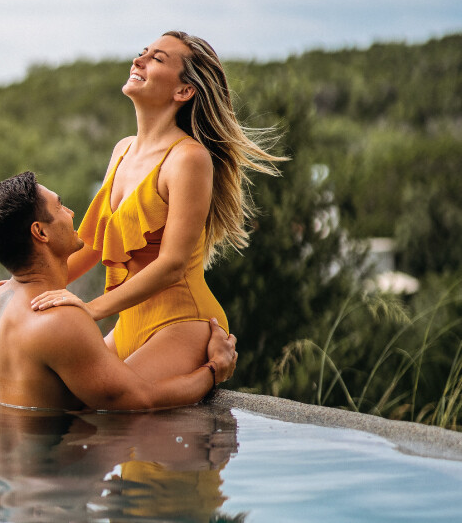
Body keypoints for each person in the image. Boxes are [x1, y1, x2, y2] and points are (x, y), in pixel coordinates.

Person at [26, 31, 284, 382]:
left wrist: (88, 310)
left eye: (157, 58)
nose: (139, 60)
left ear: (183, 91)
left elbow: (173, 264)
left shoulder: (188, 159)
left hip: (183, 323)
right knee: (63, 398)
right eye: (142, 53)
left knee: (107, 406)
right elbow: (93, 245)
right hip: (128, 323)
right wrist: (22, 286)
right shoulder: (122, 150)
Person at [0, 171, 237, 411]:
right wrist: (214, 369)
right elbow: (141, 400)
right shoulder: (58, 321)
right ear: (40, 233)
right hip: (49, 466)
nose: (71, 213)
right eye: (60, 206)